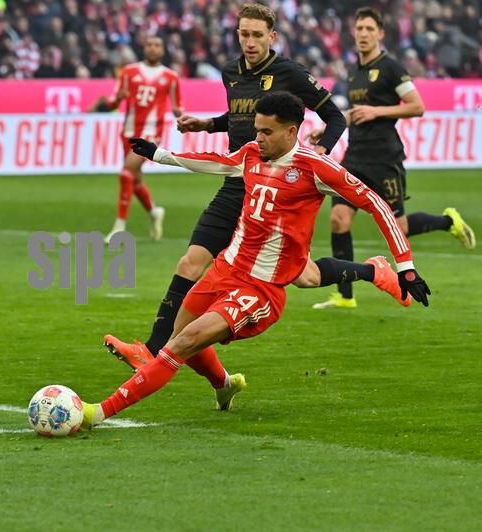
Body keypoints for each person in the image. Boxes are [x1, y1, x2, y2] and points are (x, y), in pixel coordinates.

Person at [80, 91, 430, 430]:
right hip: (225, 269)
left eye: (266, 132)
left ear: (291, 131)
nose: (258, 138)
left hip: (261, 288)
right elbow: (218, 162)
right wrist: (161, 155)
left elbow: (376, 204)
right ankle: (224, 384)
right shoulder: (250, 153)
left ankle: (97, 413)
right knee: (182, 333)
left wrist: (407, 267)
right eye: (257, 130)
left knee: (182, 343)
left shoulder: (315, 167)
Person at [103, 4, 384, 370]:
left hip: (276, 188)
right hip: (237, 182)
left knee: (304, 276)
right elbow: (240, 117)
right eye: (244, 34)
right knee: (191, 261)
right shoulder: (230, 72)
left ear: (272, 37)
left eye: (257, 35)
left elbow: (334, 117)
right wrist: (208, 125)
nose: (250, 42)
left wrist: (322, 150)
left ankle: (373, 271)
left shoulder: (290, 73)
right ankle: (151, 350)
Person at [309, 6, 475, 310]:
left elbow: (417, 105)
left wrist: (378, 111)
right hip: (354, 156)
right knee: (338, 219)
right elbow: (357, 112)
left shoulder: (391, 68)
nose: (363, 34)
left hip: (385, 158)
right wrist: (329, 128)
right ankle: (345, 296)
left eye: (369, 29)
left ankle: (447, 221)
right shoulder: (353, 71)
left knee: (400, 227)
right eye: (359, 29)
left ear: (380, 34)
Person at [93, 36, 184, 244]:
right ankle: (154, 212)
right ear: (144, 48)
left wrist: (182, 116)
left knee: (126, 172)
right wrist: (118, 98)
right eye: (150, 45)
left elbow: (178, 106)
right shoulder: (129, 72)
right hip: (128, 131)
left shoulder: (171, 77)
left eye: (157, 45)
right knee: (134, 180)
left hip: (152, 134)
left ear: (163, 50)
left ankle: (119, 227)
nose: (153, 48)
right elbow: (112, 101)